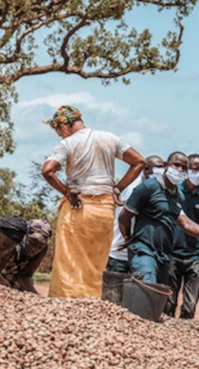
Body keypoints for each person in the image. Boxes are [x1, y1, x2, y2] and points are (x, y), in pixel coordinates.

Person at [42, 105, 145, 298]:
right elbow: (139, 162)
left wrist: (66, 191)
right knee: (97, 261)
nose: (60, 136)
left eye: (58, 132)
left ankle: (66, 300)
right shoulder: (110, 138)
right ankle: (93, 300)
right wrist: (118, 188)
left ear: (64, 126)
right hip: (105, 210)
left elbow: (48, 170)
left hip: (78, 207)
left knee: (69, 260)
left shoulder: (68, 144)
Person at [119, 152, 199, 284]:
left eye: (183, 168)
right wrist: (128, 237)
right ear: (166, 166)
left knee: (159, 299)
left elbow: (184, 223)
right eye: (176, 165)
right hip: (144, 251)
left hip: (163, 255)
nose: (179, 170)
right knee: (146, 288)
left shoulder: (178, 195)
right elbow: (124, 217)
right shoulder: (149, 187)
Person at [164, 154, 199, 319]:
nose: (198, 173)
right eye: (194, 169)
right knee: (168, 304)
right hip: (172, 254)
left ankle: (187, 341)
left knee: (190, 307)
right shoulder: (175, 192)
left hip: (195, 257)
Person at [107, 155, 165, 273]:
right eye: (159, 167)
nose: (162, 170)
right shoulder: (134, 189)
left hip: (142, 254)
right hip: (121, 254)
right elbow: (124, 219)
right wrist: (128, 239)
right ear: (146, 169)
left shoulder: (157, 189)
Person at [1, 219, 53, 293]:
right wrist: (2, 287)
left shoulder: (42, 249)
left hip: (14, 276)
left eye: (40, 246)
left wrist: (36, 296)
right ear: (25, 236)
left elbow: (25, 275)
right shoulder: (14, 242)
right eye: (32, 243)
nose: (35, 249)